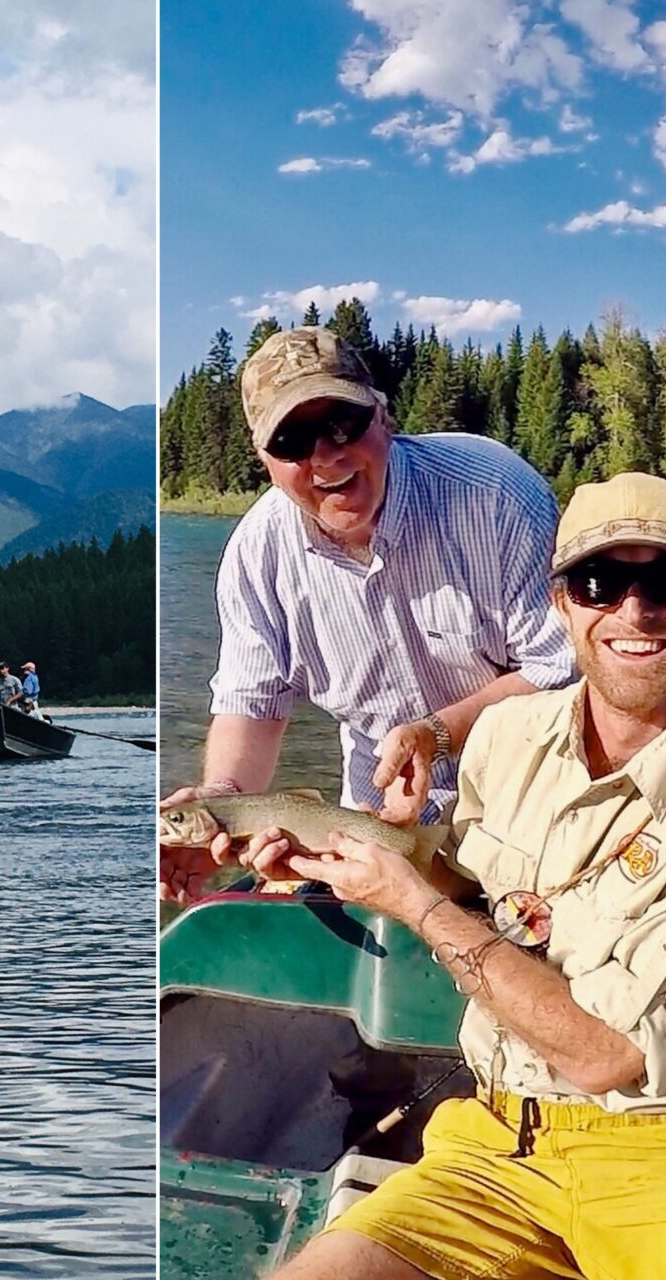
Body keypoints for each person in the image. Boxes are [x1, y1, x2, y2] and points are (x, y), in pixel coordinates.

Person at [249, 473, 666, 1278]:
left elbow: (607, 1058)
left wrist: (410, 903)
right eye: (600, 582)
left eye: (665, 583)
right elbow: (478, 902)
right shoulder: (503, 735)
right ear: (559, 603)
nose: (636, 612)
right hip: (493, 1145)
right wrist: (385, 853)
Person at [161, 327, 573, 901]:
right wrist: (220, 805)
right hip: (370, 831)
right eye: (291, 441)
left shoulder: (497, 495)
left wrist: (439, 733)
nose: (326, 457)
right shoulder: (256, 553)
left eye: (341, 424)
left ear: (383, 415)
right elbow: (249, 706)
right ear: (264, 459)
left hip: (531, 809)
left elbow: (561, 674)